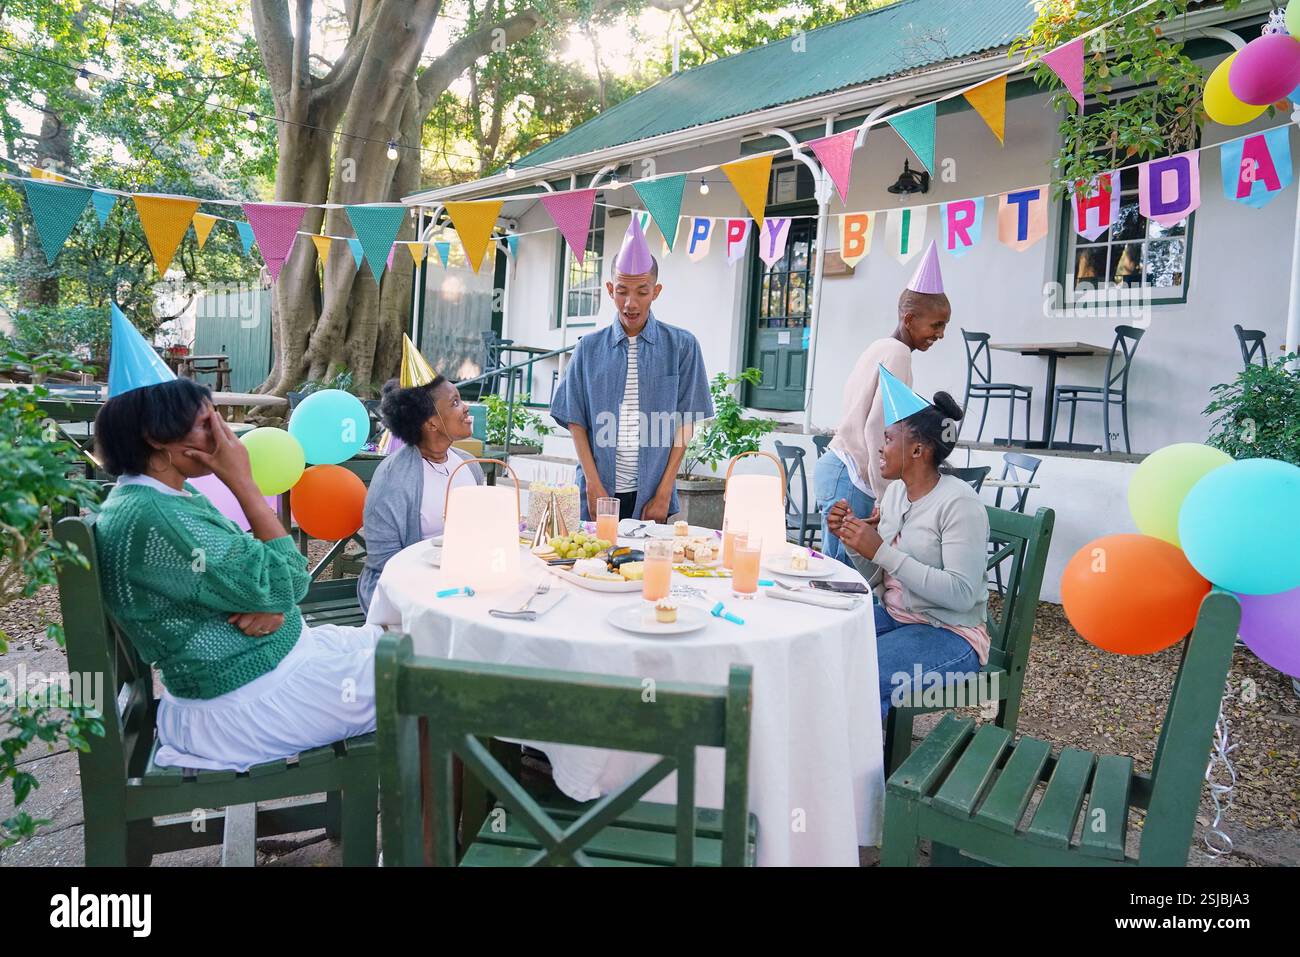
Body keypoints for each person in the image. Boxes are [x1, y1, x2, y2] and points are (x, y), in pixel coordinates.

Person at [93, 379, 382, 772]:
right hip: (247, 705)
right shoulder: (159, 517)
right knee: (433, 677)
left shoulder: (160, 499)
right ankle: (443, 821)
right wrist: (243, 482)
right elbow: (288, 583)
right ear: (156, 438)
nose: (226, 438)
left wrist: (272, 605)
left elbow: (260, 581)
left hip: (264, 672)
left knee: (405, 640)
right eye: (207, 424)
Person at [827, 386, 989, 722]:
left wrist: (883, 551)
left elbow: (962, 594)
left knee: (857, 679)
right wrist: (854, 540)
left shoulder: (960, 504)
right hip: (895, 617)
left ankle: (863, 772)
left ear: (917, 449)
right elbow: (878, 577)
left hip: (950, 634)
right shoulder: (896, 492)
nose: (880, 448)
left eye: (888, 439)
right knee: (819, 650)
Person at [550, 215, 713, 522]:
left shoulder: (683, 346)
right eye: (622, 290)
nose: (631, 303)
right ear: (610, 289)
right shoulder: (588, 348)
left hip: (653, 494)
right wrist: (593, 485)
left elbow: (686, 423)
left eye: (641, 291)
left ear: (656, 291)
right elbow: (575, 420)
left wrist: (665, 492)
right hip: (598, 493)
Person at [815, 240, 951, 565]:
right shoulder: (899, 355)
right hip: (853, 477)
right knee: (845, 579)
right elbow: (879, 428)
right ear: (909, 319)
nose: (941, 334)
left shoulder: (879, 346)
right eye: (936, 325)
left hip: (837, 469)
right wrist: (884, 493)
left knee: (831, 572)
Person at [358, 376, 484, 612]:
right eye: (455, 402)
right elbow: (385, 565)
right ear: (431, 423)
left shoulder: (469, 464)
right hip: (406, 593)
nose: (466, 406)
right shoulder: (394, 479)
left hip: (465, 586)